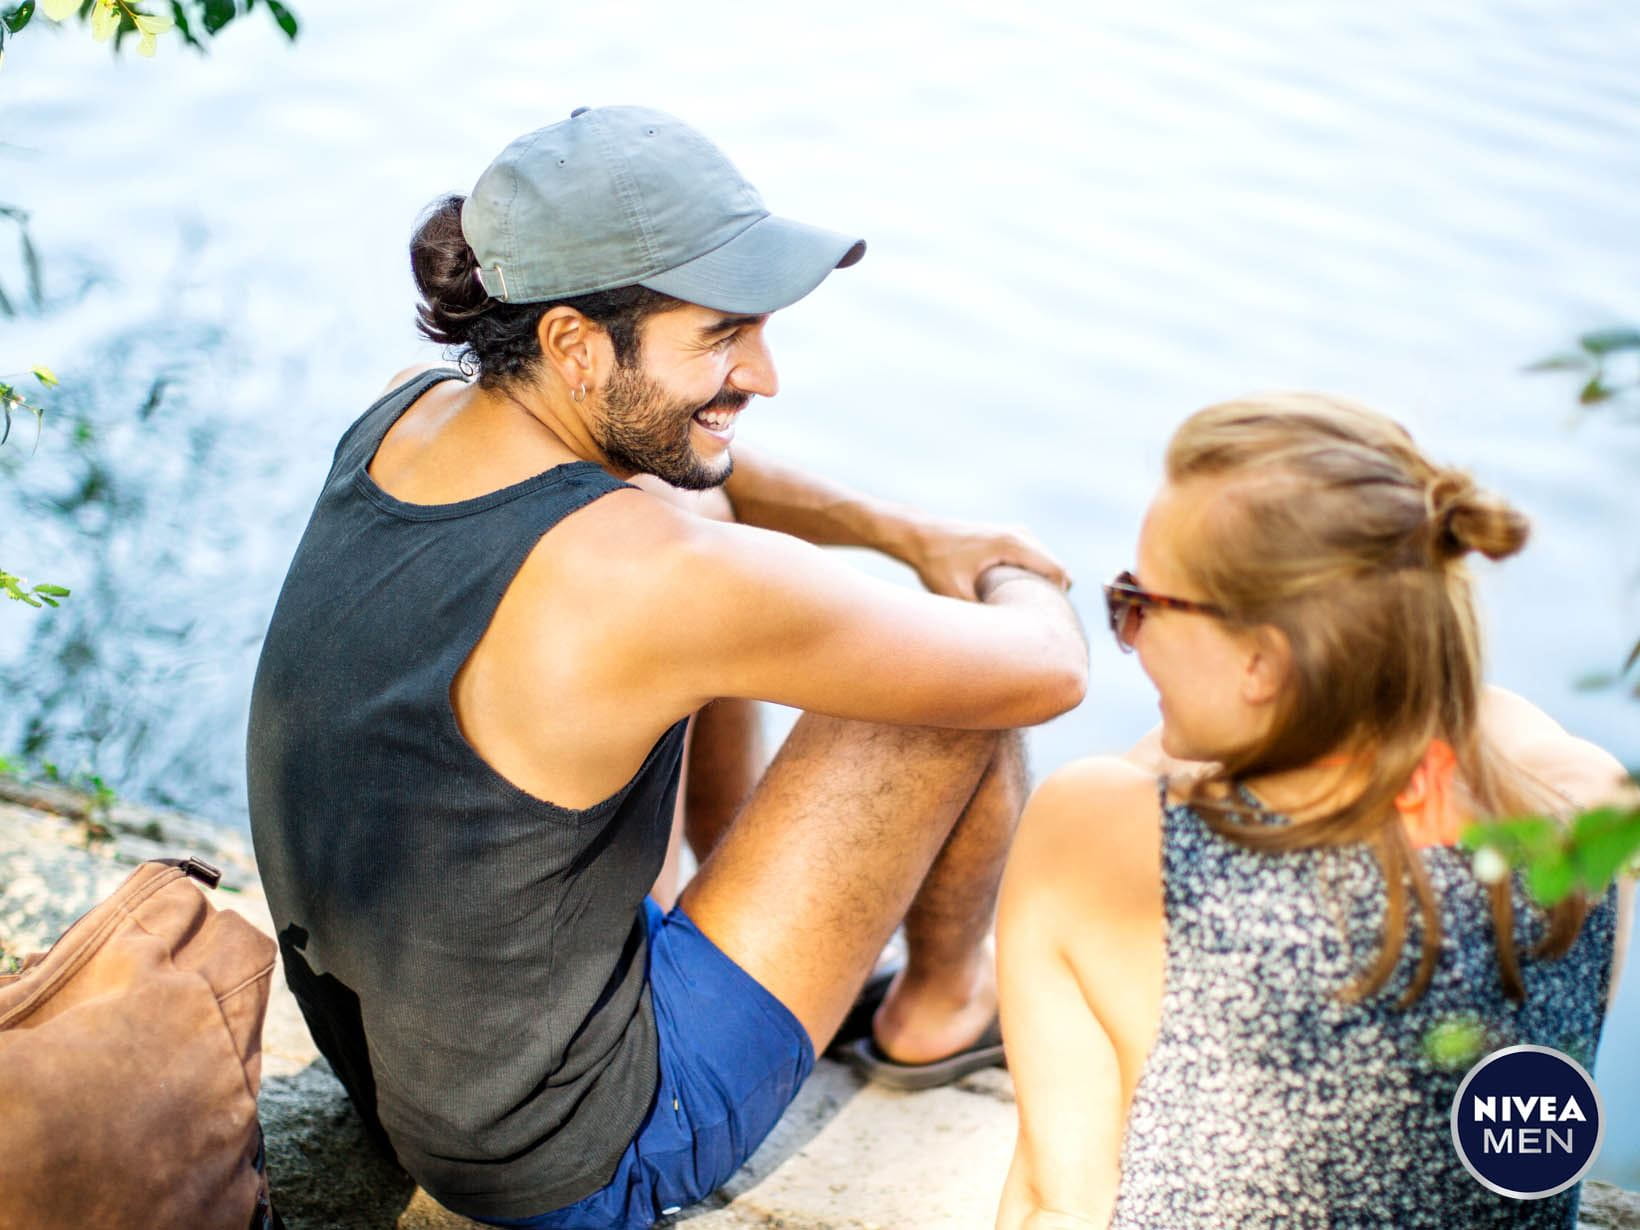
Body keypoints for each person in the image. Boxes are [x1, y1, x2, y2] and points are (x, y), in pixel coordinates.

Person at [246, 105, 1087, 1229]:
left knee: (693, 490)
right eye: (723, 335)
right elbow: (1040, 672)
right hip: (569, 1156)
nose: (766, 374)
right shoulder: (649, 577)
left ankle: (718, 896)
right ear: (573, 344)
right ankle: (935, 1008)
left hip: (405, 1068)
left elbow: (692, 479)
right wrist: (1001, 576)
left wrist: (902, 530)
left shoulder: (408, 409)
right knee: (940, 699)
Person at [995, 392, 1634, 1229]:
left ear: (1262, 661)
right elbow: (1466, 716)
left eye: (1142, 604)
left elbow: (1057, 1200)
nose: (1134, 635)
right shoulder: (1584, 813)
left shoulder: (1103, 831)